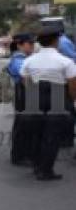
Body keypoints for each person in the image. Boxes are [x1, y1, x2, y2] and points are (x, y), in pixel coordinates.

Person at [20, 26, 76, 181]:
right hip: (58, 95)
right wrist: (71, 100)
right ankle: (45, 170)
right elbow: (72, 85)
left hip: (35, 95)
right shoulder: (66, 61)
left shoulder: (29, 60)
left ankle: (37, 166)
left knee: (36, 133)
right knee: (52, 136)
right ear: (56, 40)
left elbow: (25, 80)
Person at [7, 33, 36, 167]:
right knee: (23, 125)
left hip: (24, 93)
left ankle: (22, 154)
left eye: (32, 43)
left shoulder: (25, 58)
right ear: (19, 45)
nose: (32, 46)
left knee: (24, 125)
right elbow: (27, 79)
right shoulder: (19, 59)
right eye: (29, 44)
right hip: (23, 93)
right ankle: (19, 156)